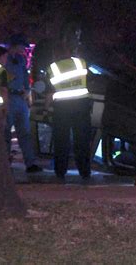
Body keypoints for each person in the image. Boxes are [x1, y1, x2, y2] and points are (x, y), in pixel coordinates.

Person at [45, 24, 92, 181]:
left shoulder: (52, 68)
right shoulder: (81, 63)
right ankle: (85, 171)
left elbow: (49, 92)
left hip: (62, 108)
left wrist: (46, 109)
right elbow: (89, 80)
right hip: (81, 106)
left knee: (61, 141)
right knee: (82, 140)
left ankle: (60, 171)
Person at [4, 34, 43, 173]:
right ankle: (5, 163)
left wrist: (27, 91)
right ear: (15, 45)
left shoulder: (20, 60)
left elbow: (25, 78)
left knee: (25, 133)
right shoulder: (4, 60)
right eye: (21, 46)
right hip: (8, 97)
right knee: (5, 132)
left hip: (20, 99)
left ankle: (30, 163)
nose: (23, 50)